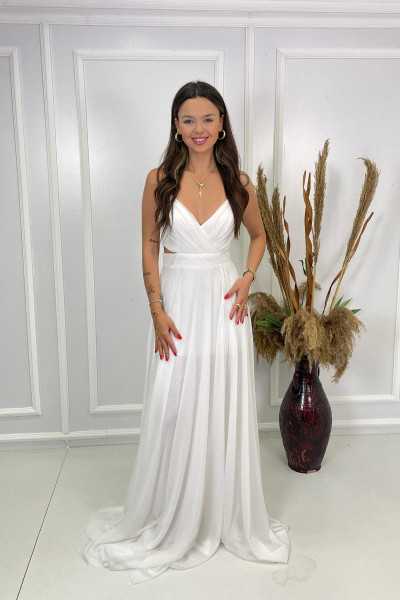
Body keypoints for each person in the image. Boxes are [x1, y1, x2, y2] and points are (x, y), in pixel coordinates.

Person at [81, 80, 291, 585]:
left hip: (223, 303)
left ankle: (218, 510)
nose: (199, 128)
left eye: (208, 119)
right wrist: (156, 309)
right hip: (176, 302)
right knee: (174, 401)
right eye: (189, 119)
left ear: (222, 125)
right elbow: (149, 244)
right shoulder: (158, 179)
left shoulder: (238, 181)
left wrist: (247, 278)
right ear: (176, 125)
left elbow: (260, 235)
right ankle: (172, 509)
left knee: (219, 399)